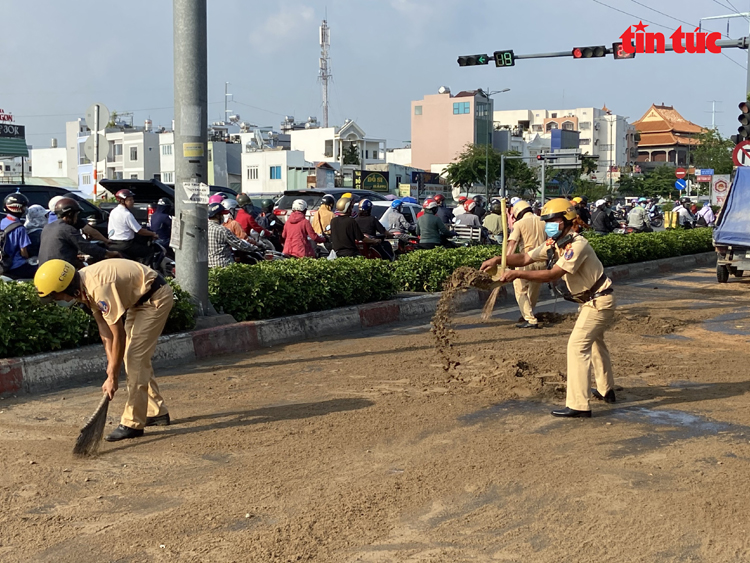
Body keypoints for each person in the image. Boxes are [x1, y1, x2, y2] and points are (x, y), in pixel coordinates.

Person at [481, 198, 616, 418]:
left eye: (552, 220)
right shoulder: (554, 243)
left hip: (599, 302)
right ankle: (606, 390)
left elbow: (553, 274)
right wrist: (499, 259)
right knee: (594, 344)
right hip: (591, 301)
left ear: (566, 220)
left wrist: (516, 274)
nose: (548, 224)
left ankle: (579, 405)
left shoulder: (577, 245)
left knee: (576, 346)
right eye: (546, 220)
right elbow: (525, 257)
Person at [34, 258, 174, 441]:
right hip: (137, 302)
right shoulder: (83, 287)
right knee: (131, 359)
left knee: (134, 358)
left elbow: (118, 335)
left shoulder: (99, 288)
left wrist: (113, 377)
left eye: (56, 296)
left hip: (154, 298)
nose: (57, 301)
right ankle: (156, 412)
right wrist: (110, 366)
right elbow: (104, 330)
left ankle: (133, 423)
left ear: (69, 289)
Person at [38, 198, 120, 268]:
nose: (77, 218)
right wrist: (109, 253)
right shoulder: (67, 229)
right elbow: (87, 247)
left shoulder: (47, 227)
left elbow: (57, 249)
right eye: (76, 214)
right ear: (70, 214)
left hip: (44, 269)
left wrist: (74, 256)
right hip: (60, 272)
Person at [506, 200, 547, 329]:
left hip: (525, 260)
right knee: (534, 290)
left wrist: (506, 262)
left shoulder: (519, 224)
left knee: (520, 290)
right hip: (541, 261)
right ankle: (529, 314)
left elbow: (512, 243)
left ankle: (529, 318)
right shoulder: (543, 221)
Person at [107, 189, 159, 261]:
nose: (132, 202)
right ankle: (145, 270)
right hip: (125, 245)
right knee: (149, 252)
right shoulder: (126, 214)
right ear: (122, 201)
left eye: (132, 199)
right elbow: (139, 231)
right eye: (130, 200)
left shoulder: (113, 211)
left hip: (113, 243)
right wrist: (153, 234)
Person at [207, 202, 259, 267]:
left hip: (208, 266)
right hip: (223, 265)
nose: (223, 217)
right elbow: (238, 243)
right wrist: (255, 248)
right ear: (217, 215)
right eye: (222, 215)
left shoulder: (203, 229)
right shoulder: (222, 230)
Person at [1, 193, 36, 279]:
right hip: (16, 266)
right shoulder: (20, 228)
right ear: (18, 208)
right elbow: (23, 252)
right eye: (24, 207)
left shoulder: (2, 222)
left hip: (3, 264)